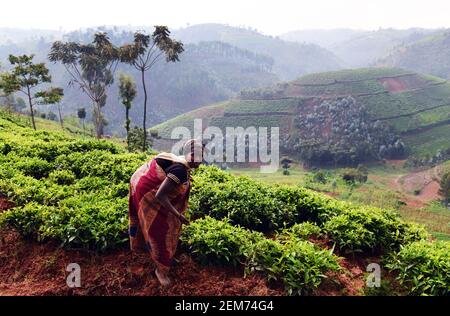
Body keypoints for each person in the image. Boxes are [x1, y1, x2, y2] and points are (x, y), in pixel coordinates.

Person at [128, 139, 204, 287]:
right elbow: (160, 195)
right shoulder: (180, 171)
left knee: (162, 225)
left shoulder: (181, 165)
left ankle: (164, 256)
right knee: (160, 230)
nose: (202, 161)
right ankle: (161, 270)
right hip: (146, 191)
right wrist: (178, 215)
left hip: (141, 183)